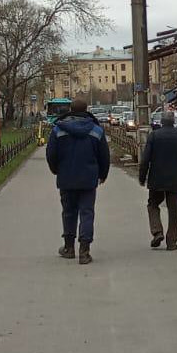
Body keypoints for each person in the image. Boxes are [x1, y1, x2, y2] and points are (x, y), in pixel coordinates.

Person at [46, 99, 110, 264]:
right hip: (88, 179)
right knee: (87, 212)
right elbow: (104, 155)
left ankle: (68, 248)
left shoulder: (58, 129)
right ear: (86, 110)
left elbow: (51, 154)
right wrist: (103, 174)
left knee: (68, 212)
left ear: (70, 110)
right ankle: (84, 251)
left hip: (66, 178)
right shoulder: (96, 130)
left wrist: (55, 169)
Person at [139, 111, 177, 250]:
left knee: (153, 205)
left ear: (161, 122)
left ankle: (157, 231)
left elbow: (145, 160)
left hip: (156, 179)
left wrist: (142, 177)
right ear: (173, 122)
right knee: (173, 211)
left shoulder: (154, 136)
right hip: (175, 179)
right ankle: (171, 242)